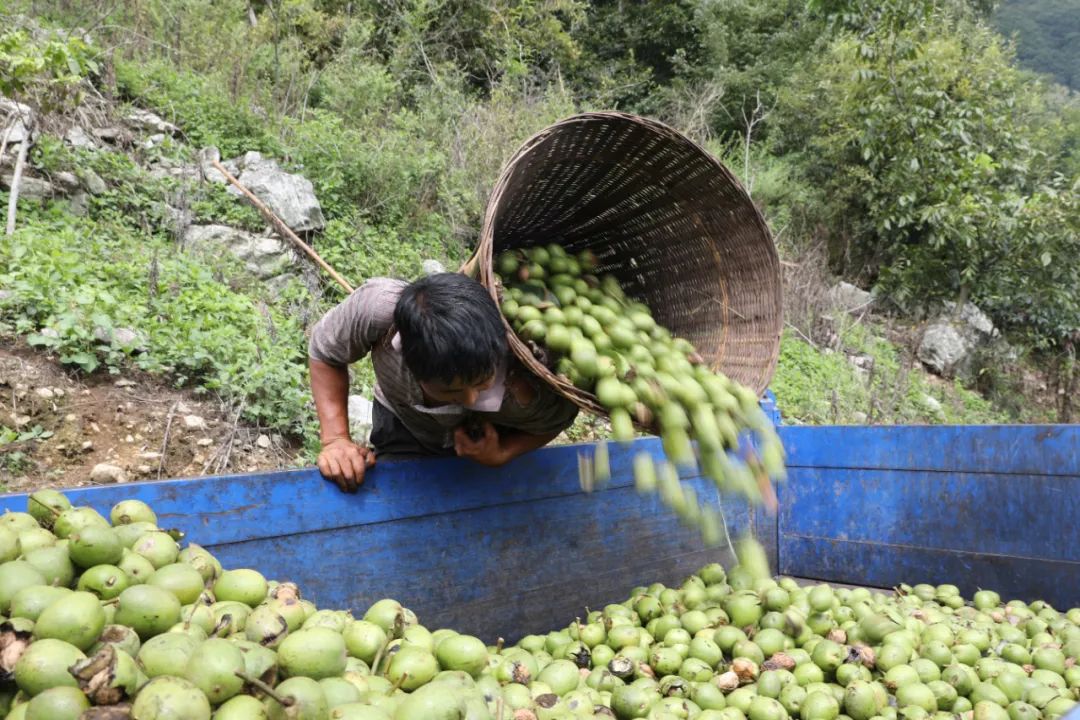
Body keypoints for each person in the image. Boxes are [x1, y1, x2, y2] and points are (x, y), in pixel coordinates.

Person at [308, 272, 579, 492]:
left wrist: (503, 452)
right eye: (451, 391)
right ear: (413, 366)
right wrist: (336, 439)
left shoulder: (522, 388)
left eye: (483, 382)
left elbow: (558, 419)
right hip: (403, 424)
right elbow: (326, 352)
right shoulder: (375, 309)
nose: (471, 399)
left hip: (485, 440)